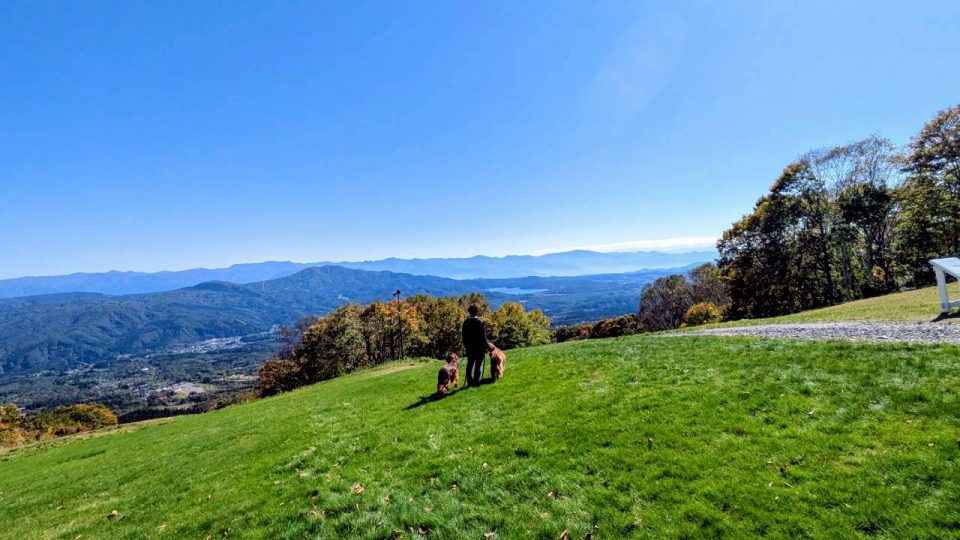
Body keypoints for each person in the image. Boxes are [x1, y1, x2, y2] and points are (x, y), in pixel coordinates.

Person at [461, 303, 493, 387]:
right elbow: (483, 336)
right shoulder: (479, 322)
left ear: (469, 312)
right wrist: (487, 345)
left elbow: (464, 336)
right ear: (477, 311)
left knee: (470, 364)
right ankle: (476, 381)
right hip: (479, 347)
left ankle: (469, 381)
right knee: (478, 364)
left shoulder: (466, 322)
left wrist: (466, 346)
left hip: (470, 347)